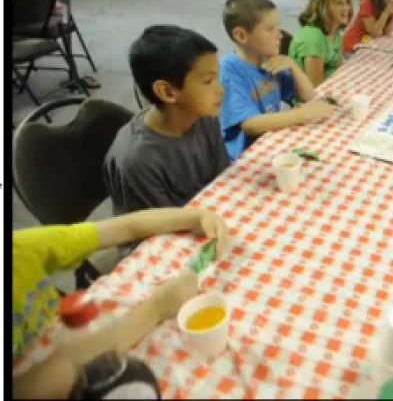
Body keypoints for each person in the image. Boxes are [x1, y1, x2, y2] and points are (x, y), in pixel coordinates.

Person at [12, 208, 229, 399]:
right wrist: (157, 307)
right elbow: (54, 378)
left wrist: (198, 217)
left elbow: (126, 226)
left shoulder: (19, 248)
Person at [103, 26, 230, 215]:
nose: (220, 89)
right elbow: (157, 229)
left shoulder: (204, 118)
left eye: (217, 77)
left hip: (204, 213)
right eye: (207, 81)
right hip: (161, 235)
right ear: (167, 92)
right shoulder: (138, 159)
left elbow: (222, 180)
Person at [218, 0, 333, 160]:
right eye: (270, 29)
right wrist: (303, 114)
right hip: (245, 159)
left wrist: (292, 65)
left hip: (271, 143)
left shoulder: (270, 61)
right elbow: (250, 124)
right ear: (241, 35)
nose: (279, 35)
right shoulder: (230, 69)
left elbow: (309, 96)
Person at [289, 0, 353, 86]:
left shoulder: (335, 31)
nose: (346, 7)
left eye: (347, 2)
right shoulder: (314, 39)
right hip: (311, 98)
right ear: (323, 7)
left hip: (331, 85)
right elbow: (315, 87)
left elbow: (339, 68)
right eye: (339, 3)